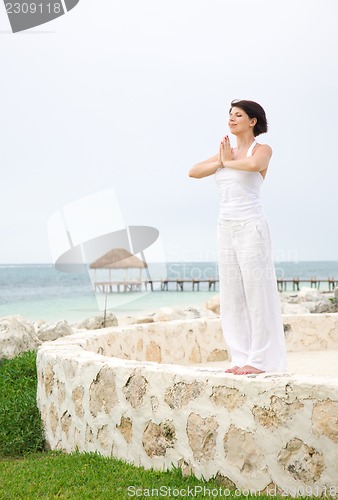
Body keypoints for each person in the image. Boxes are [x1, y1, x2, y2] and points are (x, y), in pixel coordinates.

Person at [189, 99, 287, 375]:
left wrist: (227, 162)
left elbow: (254, 165)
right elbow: (193, 171)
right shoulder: (226, 153)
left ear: (252, 121)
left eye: (238, 115)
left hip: (251, 226)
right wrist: (222, 161)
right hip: (225, 227)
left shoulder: (262, 149)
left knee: (257, 293)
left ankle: (260, 361)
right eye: (230, 115)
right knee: (231, 295)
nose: (231, 119)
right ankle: (239, 356)